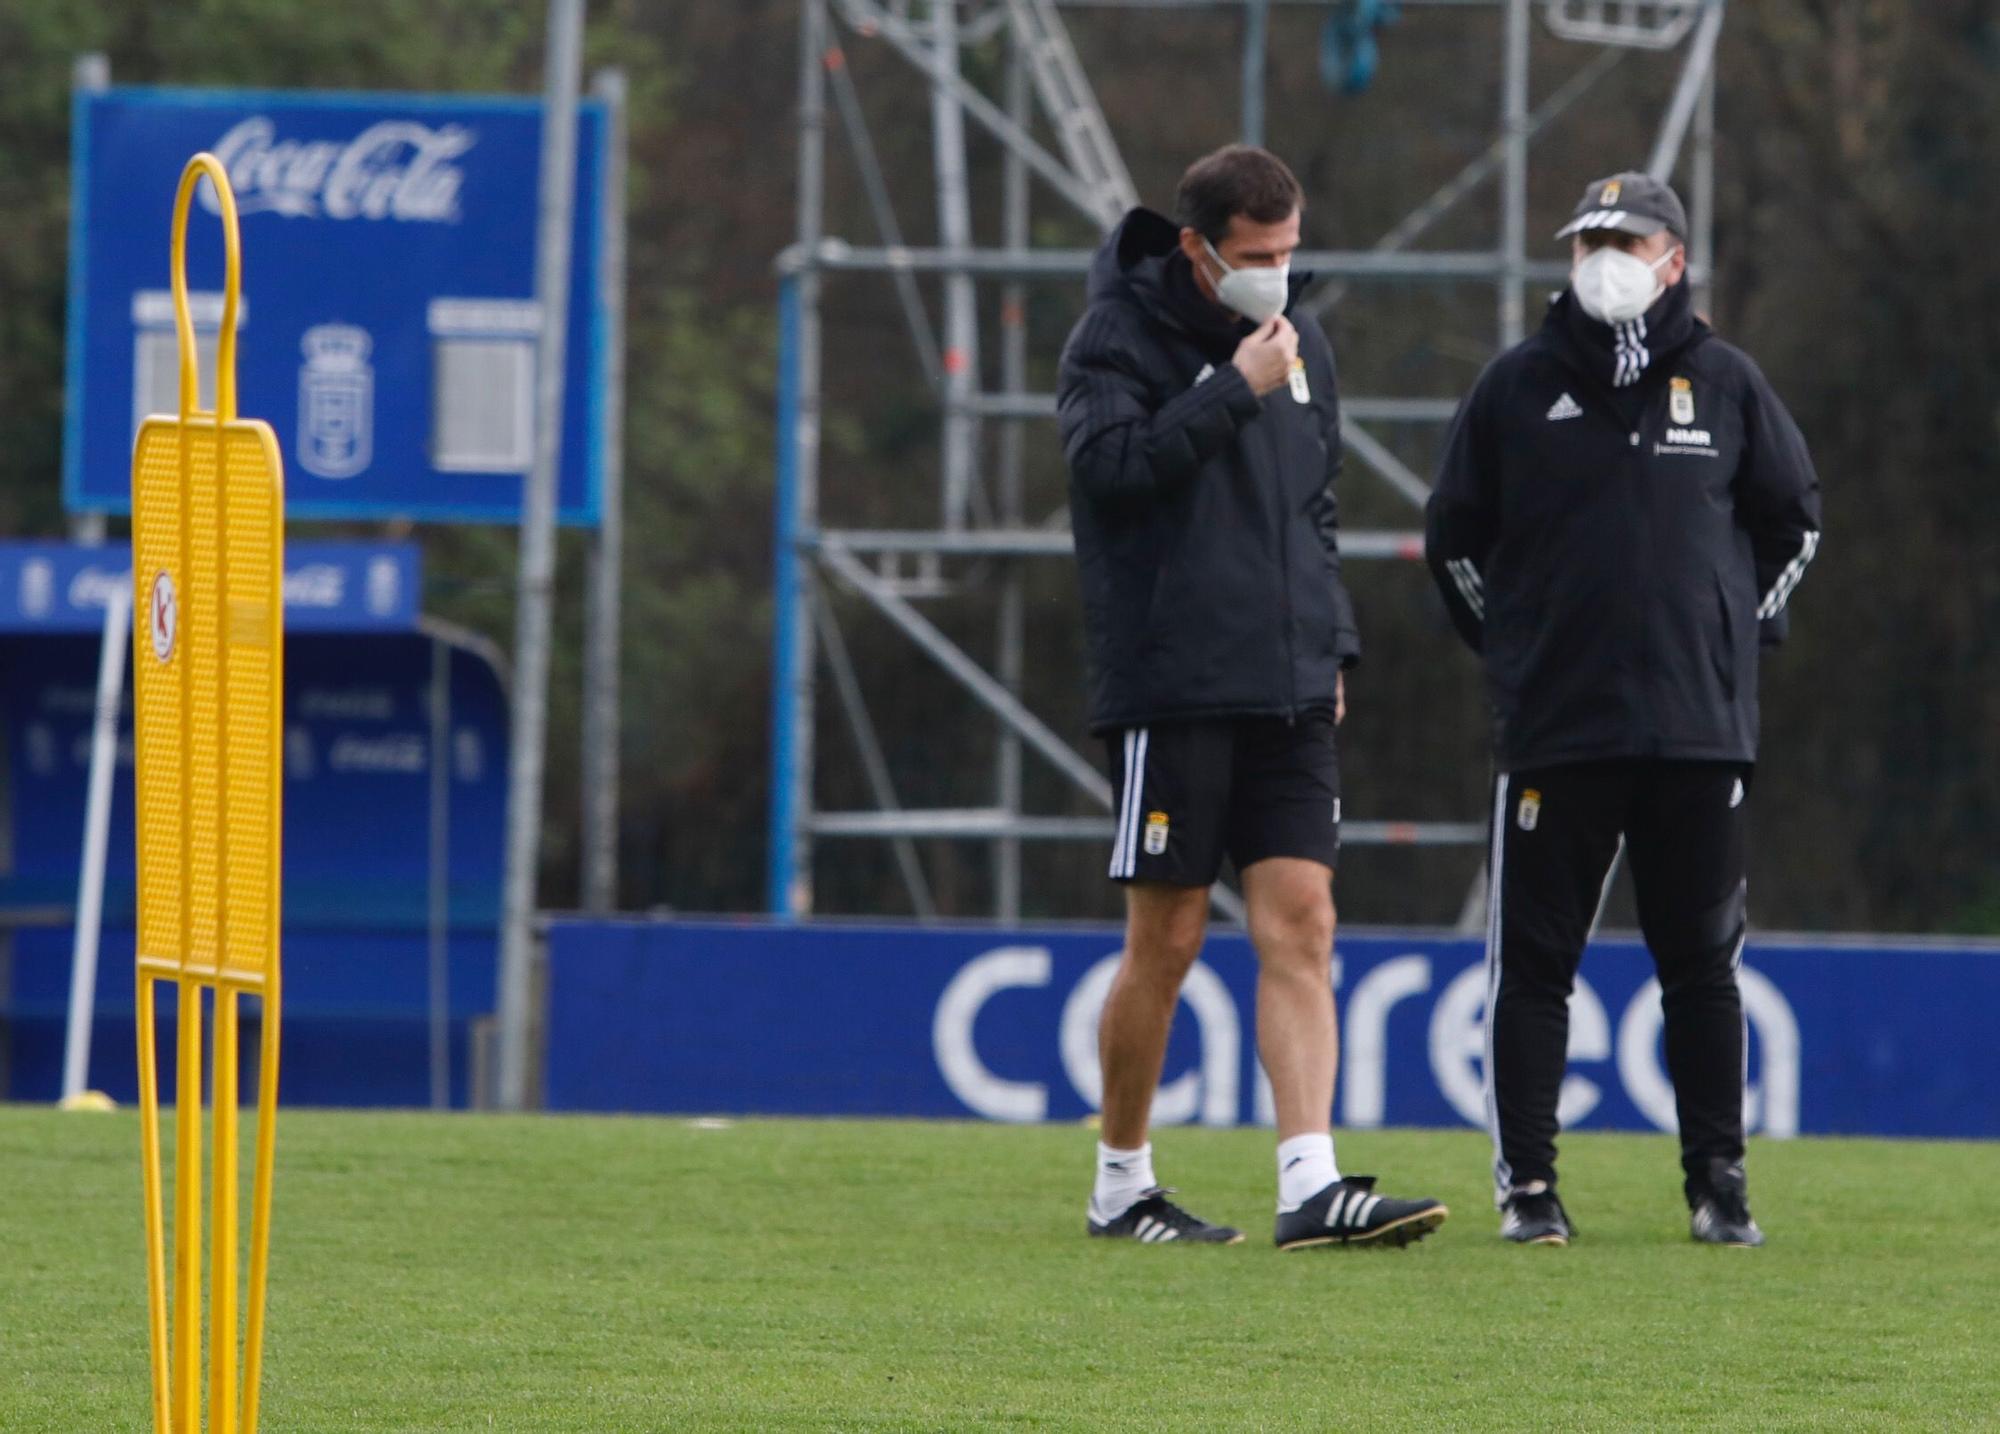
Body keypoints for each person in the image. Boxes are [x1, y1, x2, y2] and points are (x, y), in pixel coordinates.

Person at [1057, 144, 1448, 1251]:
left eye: (1287, 251)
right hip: (1171, 683)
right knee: (1167, 939)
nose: (1277, 273)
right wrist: (1233, 390)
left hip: (1286, 686)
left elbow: (1308, 509)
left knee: (1304, 924)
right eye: (1254, 255)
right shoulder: (1111, 338)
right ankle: (1120, 1186)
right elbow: (1111, 472)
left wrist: (1330, 649)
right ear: (1195, 249)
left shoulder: (1304, 343)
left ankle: (1308, 1184)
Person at [1425, 171, 1823, 1248]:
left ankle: (1717, 1185)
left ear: (1672, 260)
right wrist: (1513, 657)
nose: (1602, 253)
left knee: (1698, 969)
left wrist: (1731, 648)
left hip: (1696, 734)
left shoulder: (1727, 384)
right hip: (1556, 731)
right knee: (1532, 969)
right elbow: (1451, 540)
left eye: (1623, 236)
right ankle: (1529, 1192)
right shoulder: (1515, 387)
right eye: (1586, 236)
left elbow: (1794, 527)